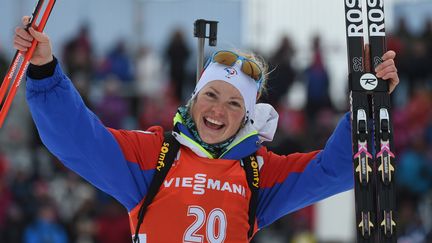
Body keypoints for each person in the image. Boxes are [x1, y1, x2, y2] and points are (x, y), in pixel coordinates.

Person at [14, 15, 399, 242]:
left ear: (247, 117)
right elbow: (76, 139)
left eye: (234, 104)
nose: (218, 110)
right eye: (211, 95)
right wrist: (45, 69)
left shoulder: (258, 172)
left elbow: (335, 171)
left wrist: (366, 104)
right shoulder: (154, 157)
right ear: (194, 99)